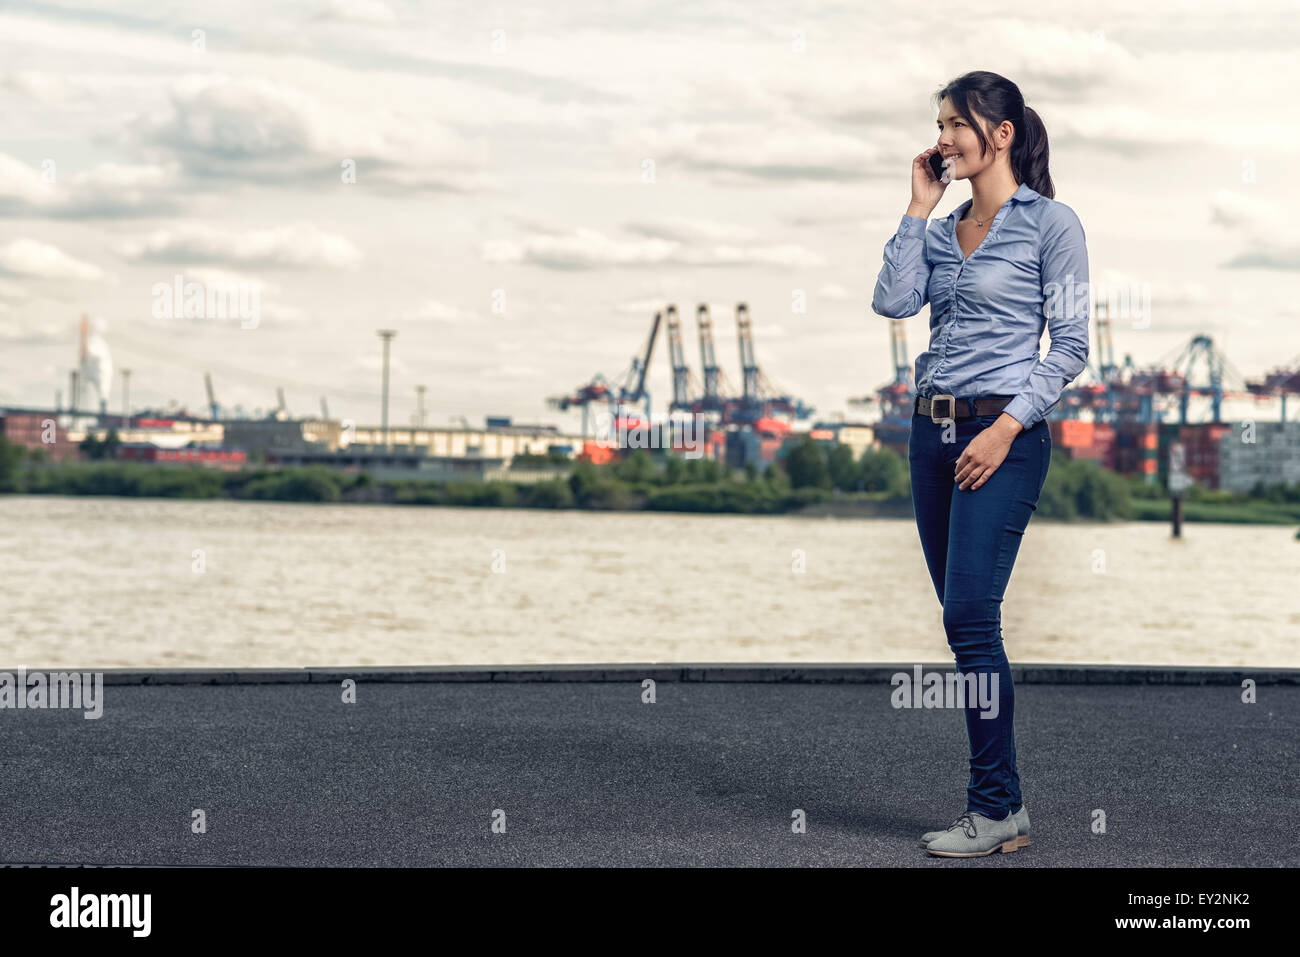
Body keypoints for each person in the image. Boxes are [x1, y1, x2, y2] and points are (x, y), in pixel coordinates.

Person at [870, 71, 1091, 858]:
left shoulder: (1052, 224)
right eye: (939, 124)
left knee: (969, 615)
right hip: (930, 439)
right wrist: (917, 205)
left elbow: (1070, 345)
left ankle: (993, 807)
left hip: (1004, 439)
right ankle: (1006, 806)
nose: (943, 138)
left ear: (1000, 133)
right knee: (967, 627)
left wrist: (1002, 428)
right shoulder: (938, 230)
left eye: (956, 124)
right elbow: (893, 304)